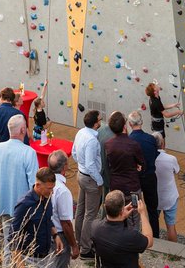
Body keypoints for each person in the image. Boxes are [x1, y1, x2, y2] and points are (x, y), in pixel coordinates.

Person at [0, 114, 39, 263]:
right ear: (23, 130)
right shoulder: (28, 152)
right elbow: (33, 185)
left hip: (3, 205)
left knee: (8, 245)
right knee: (24, 250)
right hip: (24, 210)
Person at [10, 167, 61, 267]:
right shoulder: (24, 205)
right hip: (29, 259)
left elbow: (47, 220)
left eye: (53, 188)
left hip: (48, 257)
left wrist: (56, 236)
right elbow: (13, 236)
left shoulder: (46, 197)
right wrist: (20, 264)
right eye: (49, 188)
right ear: (38, 185)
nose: (52, 192)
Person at [90, 190, 152, 268]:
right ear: (122, 210)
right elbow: (149, 241)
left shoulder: (95, 226)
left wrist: (121, 215)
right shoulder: (130, 236)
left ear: (105, 206)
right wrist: (142, 213)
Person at [73, 109, 104, 260]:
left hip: (81, 175)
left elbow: (73, 152)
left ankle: (78, 240)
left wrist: (81, 166)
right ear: (95, 123)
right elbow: (92, 165)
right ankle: (85, 249)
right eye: (100, 119)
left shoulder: (80, 133)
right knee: (90, 214)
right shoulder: (92, 140)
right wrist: (99, 181)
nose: (101, 121)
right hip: (91, 179)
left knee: (80, 209)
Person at [127, 111, 160, 236]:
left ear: (130, 124)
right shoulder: (151, 139)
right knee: (152, 208)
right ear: (142, 122)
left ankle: (135, 233)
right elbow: (155, 155)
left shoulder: (129, 141)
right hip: (150, 177)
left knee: (135, 207)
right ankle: (155, 235)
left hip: (136, 179)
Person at [104, 111, 143, 204]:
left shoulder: (108, 144)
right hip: (132, 187)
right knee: (135, 216)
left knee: (118, 214)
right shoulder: (133, 144)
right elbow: (141, 162)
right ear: (125, 126)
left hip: (116, 187)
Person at [48, 150, 79, 265]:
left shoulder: (46, 183)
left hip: (49, 231)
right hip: (60, 235)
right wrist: (74, 245)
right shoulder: (62, 191)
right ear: (65, 167)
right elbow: (66, 223)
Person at [154, 133, 180, 242]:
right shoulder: (171, 158)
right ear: (163, 144)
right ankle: (173, 253)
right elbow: (177, 171)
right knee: (171, 225)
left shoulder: (148, 158)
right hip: (170, 196)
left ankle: (154, 246)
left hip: (155, 196)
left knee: (153, 222)